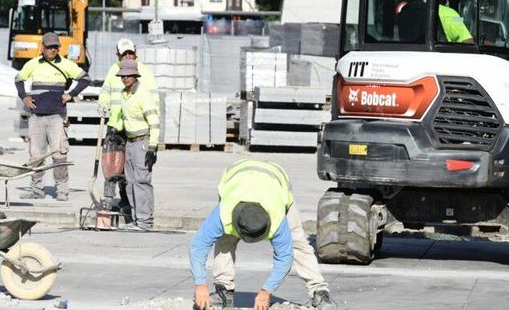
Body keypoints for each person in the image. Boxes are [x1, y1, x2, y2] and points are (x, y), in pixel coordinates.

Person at [189, 159, 337, 310]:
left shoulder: (278, 218)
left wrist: (266, 291)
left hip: (276, 182)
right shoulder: (223, 213)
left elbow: (285, 257)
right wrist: (200, 285)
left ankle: (319, 291)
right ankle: (224, 291)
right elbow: (198, 245)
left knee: (297, 243)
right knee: (225, 238)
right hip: (236, 177)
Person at [15, 32, 90, 201]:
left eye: (55, 46)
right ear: (43, 47)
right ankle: (36, 190)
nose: (52, 50)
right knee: (36, 155)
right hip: (36, 116)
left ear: (59, 47)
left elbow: (85, 78)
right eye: (49, 47)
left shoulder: (66, 64)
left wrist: (71, 94)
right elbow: (18, 79)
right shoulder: (33, 64)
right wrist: (24, 97)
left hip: (57, 117)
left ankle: (62, 190)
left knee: (59, 154)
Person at [97, 38, 157, 219]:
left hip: (136, 130)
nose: (128, 56)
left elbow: (153, 103)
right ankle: (109, 199)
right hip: (115, 126)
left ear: (136, 53)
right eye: (124, 54)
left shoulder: (143, 72)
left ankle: (129, 205)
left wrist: (153, 140)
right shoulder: (113, 71)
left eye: (131, 53)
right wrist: (103, 104)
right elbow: (105, 92)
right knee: (112, 167)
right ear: (118, 55)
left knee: (134, 173)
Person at [117, 58, 160, 231]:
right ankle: (136, 219)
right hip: (130, 141)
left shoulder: (143, 95)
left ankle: (145, 221)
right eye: (123, 76)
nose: (125, 79)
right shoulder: (124, 93)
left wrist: (152, 147)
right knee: (130, 181)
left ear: (135, 76)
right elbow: (125, 118)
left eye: (128, 76)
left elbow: (155, 123)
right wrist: (116, 131)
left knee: (142, 181)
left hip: (143, 142)